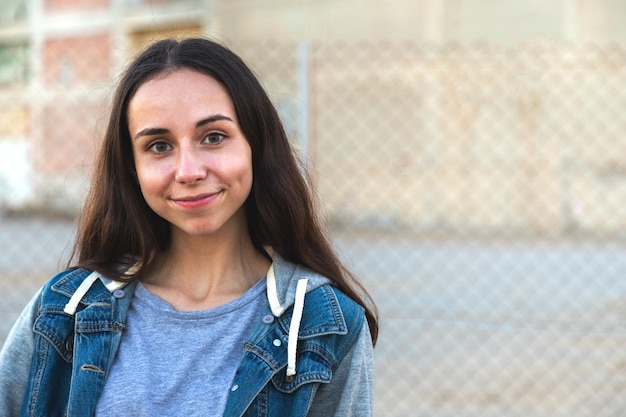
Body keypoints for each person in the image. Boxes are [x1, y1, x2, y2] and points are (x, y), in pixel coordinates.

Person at [0, 37, 378, 417]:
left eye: (213, 137)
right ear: (132, 169)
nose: (189, 171)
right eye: (159, 146)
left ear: (256, 144)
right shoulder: (62, 311)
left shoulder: (327, 327)